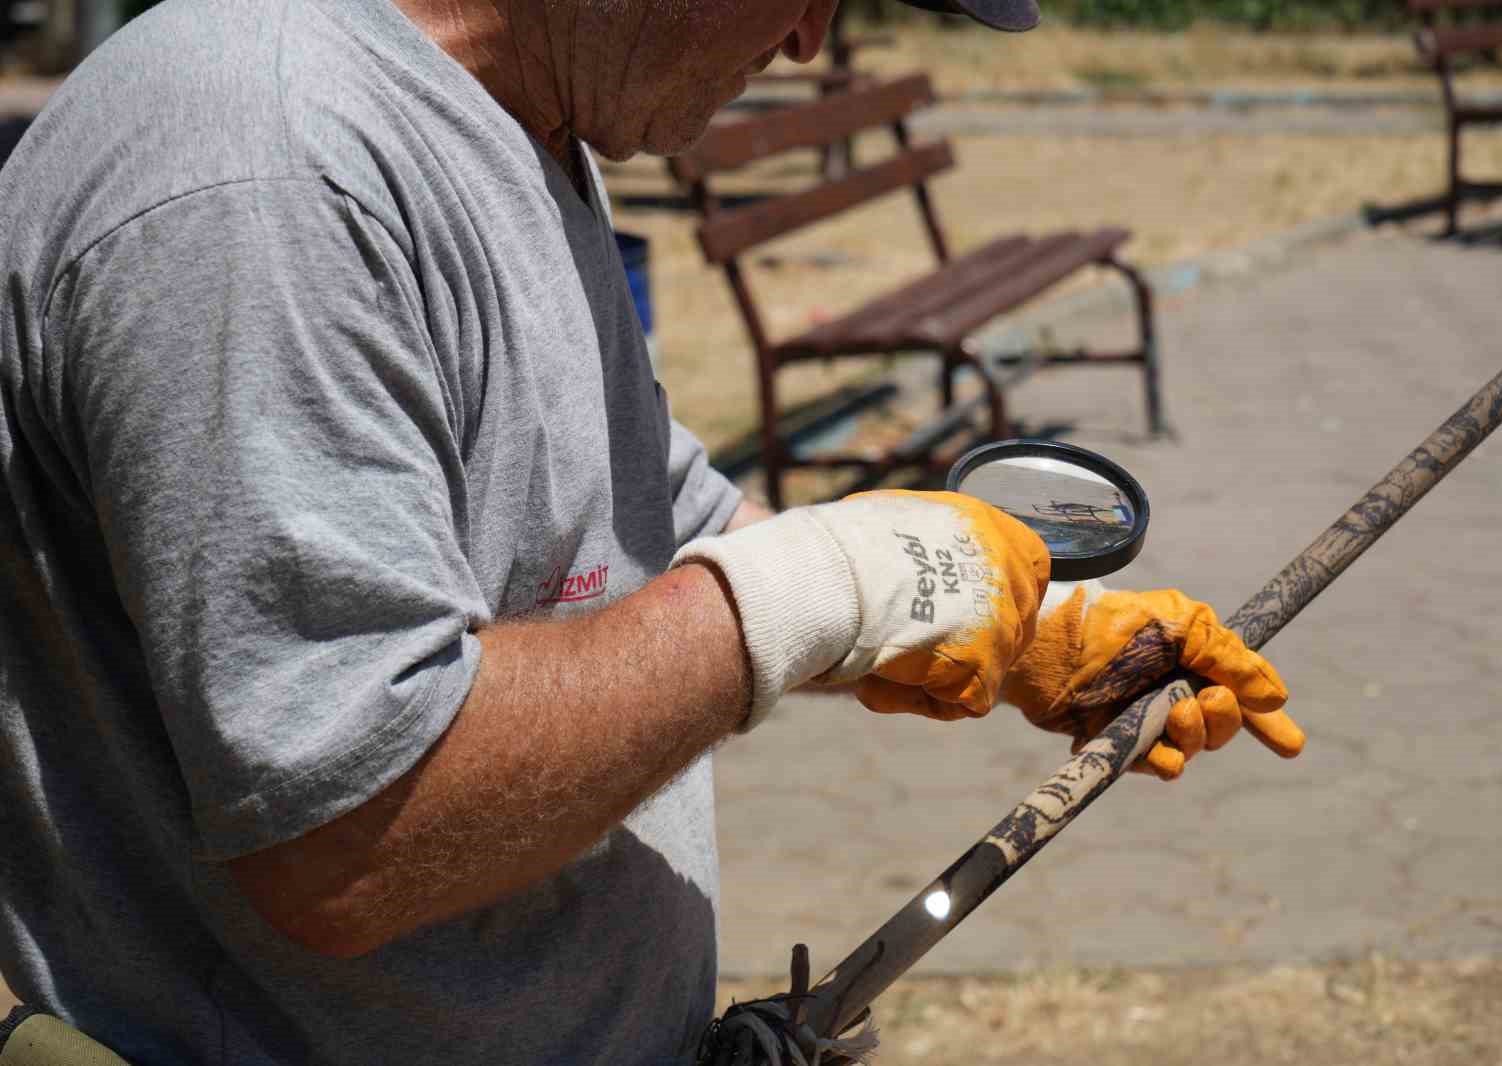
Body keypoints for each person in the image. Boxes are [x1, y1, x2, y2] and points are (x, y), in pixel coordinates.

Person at [0, 0, 1304, 1062]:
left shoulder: (519, 122)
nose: (810, 37)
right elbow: (350, 837)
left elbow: (650, 519)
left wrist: (1030, 633)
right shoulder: (268, 173)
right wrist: (828, 587)